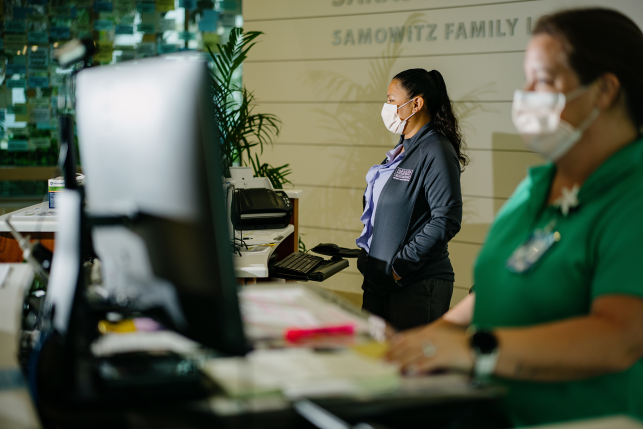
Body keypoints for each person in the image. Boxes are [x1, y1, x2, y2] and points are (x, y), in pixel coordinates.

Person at [385, 8, 643, 427]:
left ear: (604, 90)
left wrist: (476, 350)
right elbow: (502, 281)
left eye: (542, 80)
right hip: (492, 407)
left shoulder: (632, 193)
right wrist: (439, 333)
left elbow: (620, 337)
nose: (524, 94)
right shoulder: (537, 186)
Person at [356, 69, 467, 331]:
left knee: (410, 370)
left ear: (416, 104)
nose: (387, 107)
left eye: (392, 100)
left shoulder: (436, 149)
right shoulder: (402, 151)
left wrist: (399, 267)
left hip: (415, 285)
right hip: (380, 283)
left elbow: (446, 219)